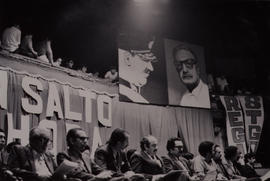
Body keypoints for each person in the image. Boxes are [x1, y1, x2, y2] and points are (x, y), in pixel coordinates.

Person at [118, 34, 157, 103]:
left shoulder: (131, 93)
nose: (151, 68)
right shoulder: (127, 95)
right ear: (128, 58)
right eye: (146, 59)